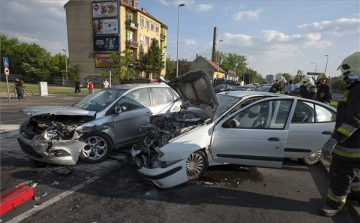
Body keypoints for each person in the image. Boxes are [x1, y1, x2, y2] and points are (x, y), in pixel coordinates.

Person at [319, 51, 360, 217]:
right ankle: (357, 194)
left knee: (339, 175)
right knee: (355, 174)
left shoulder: (357, 90)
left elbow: (353, 121)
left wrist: (334, 139)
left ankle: (334, 204)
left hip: (350, 147)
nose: (346, 78)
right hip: (357, 146)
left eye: (348, 75)